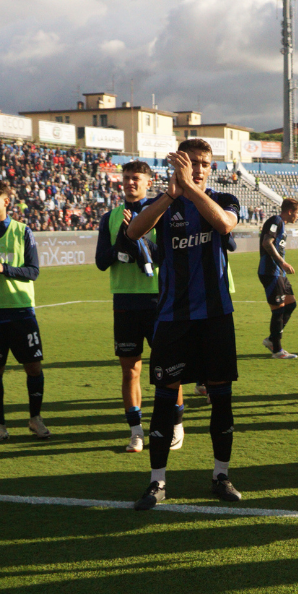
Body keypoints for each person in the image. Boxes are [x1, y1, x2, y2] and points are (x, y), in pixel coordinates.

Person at [126, 139, 242, 508]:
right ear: (177, 162)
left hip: (215, 316)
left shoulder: (223, 200)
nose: (198, 167)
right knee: (164, 401)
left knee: (221, 400)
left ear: (212, 168)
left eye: (204, 163)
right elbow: (134, 233)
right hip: (173, 318)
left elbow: (224, 226)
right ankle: (157, 482)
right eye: (190, 161)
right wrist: (171, 195)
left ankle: (220, 475)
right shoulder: (165, 202)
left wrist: (190, 190)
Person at [95, 161, 184, 454]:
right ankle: (136, 432)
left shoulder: (163, 212)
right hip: (125, 301)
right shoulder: (110, 217)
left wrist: (140, 238)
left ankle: (175, 424)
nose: (130, 183)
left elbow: (167, 257)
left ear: (149, 182)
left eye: (136, 178)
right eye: (127, 178)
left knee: (170, 367)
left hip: (159, 300)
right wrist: (122, 240)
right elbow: (101, 261)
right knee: (130, 370)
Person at [0, 179, 51, 442]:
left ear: (6, 201)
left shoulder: (22, 231)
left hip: (21, 311)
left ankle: (35, 418)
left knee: (33, 367)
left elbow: (33, 271)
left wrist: (4, 269)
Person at [258, 197, 298, 359]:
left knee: (291, 304)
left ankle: (272, 338)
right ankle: (277, 350)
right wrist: (282, 263)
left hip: (279, 273)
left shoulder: (281, 224)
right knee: (278, 310)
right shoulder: (276, 220)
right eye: (297, 213)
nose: (297, 216)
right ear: (290, 211)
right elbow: (267, 243)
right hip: (270, 271)